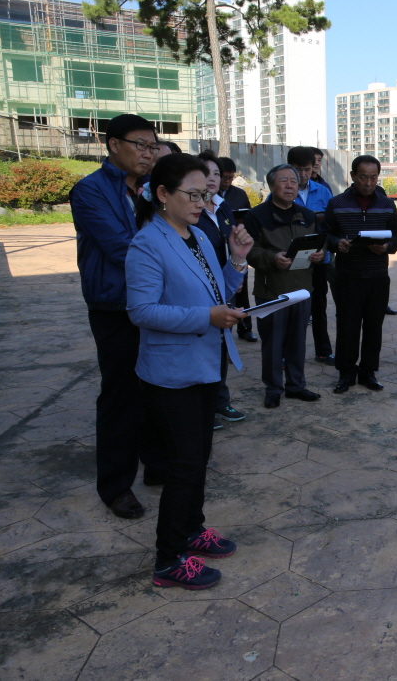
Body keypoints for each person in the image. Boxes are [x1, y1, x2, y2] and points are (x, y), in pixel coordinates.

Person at [126, 152, 253, 589]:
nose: (202, 202)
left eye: (206, 194)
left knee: (198, 456)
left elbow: (214, 290)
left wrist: (236, 260)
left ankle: (192, 530)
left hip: (205, 362)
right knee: (182, 463)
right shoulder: (147, 243)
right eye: (193, 194)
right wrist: (207, 319)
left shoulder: (196, 235)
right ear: (163, 194)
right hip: (170, 372)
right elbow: (141, 310)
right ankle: (168, 559)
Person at [71, 113, 166, 519]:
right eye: (141, 145)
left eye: (153, 146)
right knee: (121, 395)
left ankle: (156, 464)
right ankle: (115, 485)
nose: (148, 153)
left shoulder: (153, 190)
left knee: (158, 386)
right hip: (114, 304)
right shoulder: (90, 191)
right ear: (114, 145)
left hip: (156, 302)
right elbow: (122, 248)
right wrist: (174, 270)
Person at [319, 155, 397, 394]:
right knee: (347, 326)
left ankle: (368, 372)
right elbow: (325, 234)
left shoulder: (386, 204)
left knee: (374, 326)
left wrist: (387, 247)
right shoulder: (337, 203)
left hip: (378, 276)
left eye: (374, 177)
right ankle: (346, 373)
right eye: (364, 177)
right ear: (353, 176)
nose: (369, 182)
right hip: (348, 275)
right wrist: (338, 244)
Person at [244, 164, 325, 408]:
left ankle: (296, 386)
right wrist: (272, 258)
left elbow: (319, 243)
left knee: (297, 340)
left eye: (293, 180)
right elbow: (249, 251)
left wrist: (321, 253)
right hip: (272, 290)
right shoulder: (256, 216)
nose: (290, 185)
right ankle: (273, 388)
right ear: (271, 185)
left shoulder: (307, 215)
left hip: (301, 290)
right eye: (283, 180)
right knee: (272, 342)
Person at [194, 150, 245, 429]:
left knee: (223, 343)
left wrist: (238, 264)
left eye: (216, 173)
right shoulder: (188, 210)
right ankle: (204, 405)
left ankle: (219, 400)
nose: (212, 179)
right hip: (200, 288)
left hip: (226, 282)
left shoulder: (222, 206)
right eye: (206, 173)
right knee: (203, 345)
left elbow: (233, 243)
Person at [288, 146, 336, 365]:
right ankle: (287, 354)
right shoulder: (282, 192)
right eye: (298, 169)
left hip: (318, 259)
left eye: (307, 169)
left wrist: (324, 249)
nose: (303, 174)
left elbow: (331, 226)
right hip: (291, 262)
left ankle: (323, 351)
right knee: (292, 308)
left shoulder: (323, 191)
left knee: (319, 307)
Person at [217, 156, 255, 342]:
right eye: (224, 177)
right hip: (219, 247)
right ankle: (225, 336)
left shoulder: (239, 194)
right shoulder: (209, 194)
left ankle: (245, 328)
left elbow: (248, 216)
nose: (227, 181)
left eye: (231, 177)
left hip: (237, 246)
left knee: (242, 291)